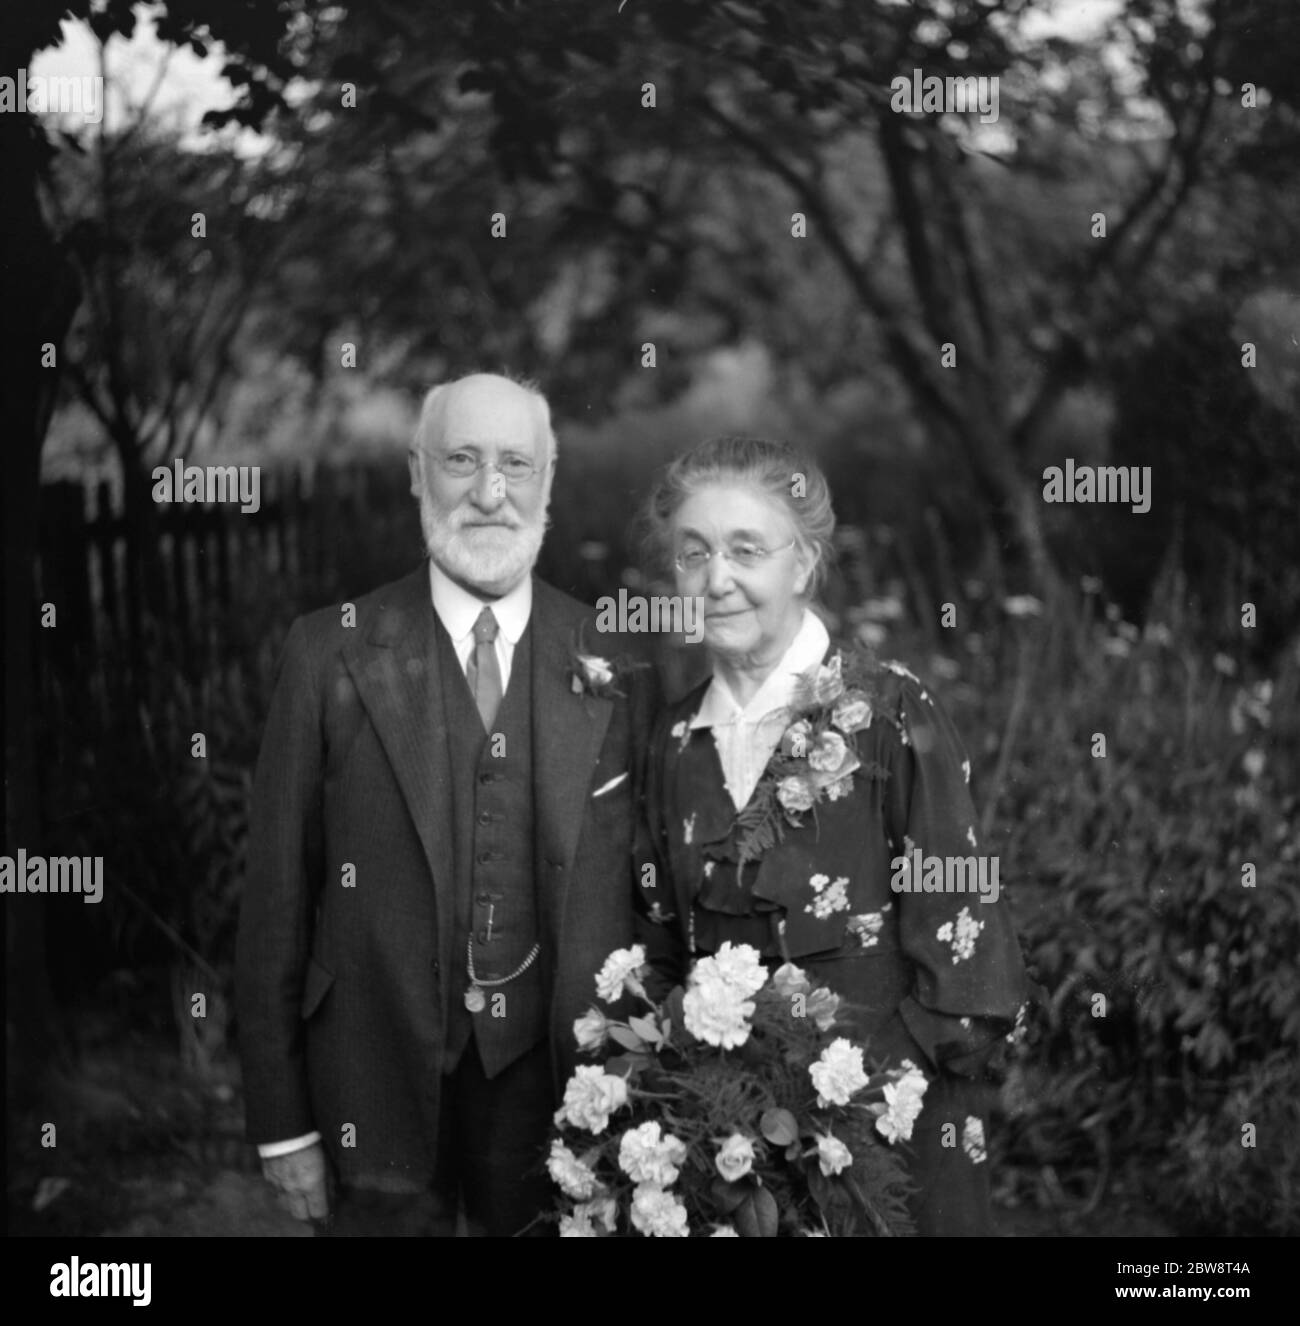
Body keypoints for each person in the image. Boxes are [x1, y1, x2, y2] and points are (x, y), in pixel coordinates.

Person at [236, 373, 652, 1236]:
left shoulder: (617, 657)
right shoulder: (329, 652)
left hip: (558, 1089)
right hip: (372, 1080)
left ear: (550, 478)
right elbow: (276, 898)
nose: (490, 493)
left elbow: (653, 897)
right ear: (418, 473)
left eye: (515, 464)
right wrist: (282, 1124)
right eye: (461, 460)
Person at [636, 435, 1028, 1236]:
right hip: (730, 1154)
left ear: (804, 564)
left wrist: (868, 1110)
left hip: (890, 1145)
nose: (717, 579)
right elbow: (661, 949)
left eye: (747, 549)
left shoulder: (889, 716)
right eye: (693, 553)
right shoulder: (674, 741)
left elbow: (964, 957)